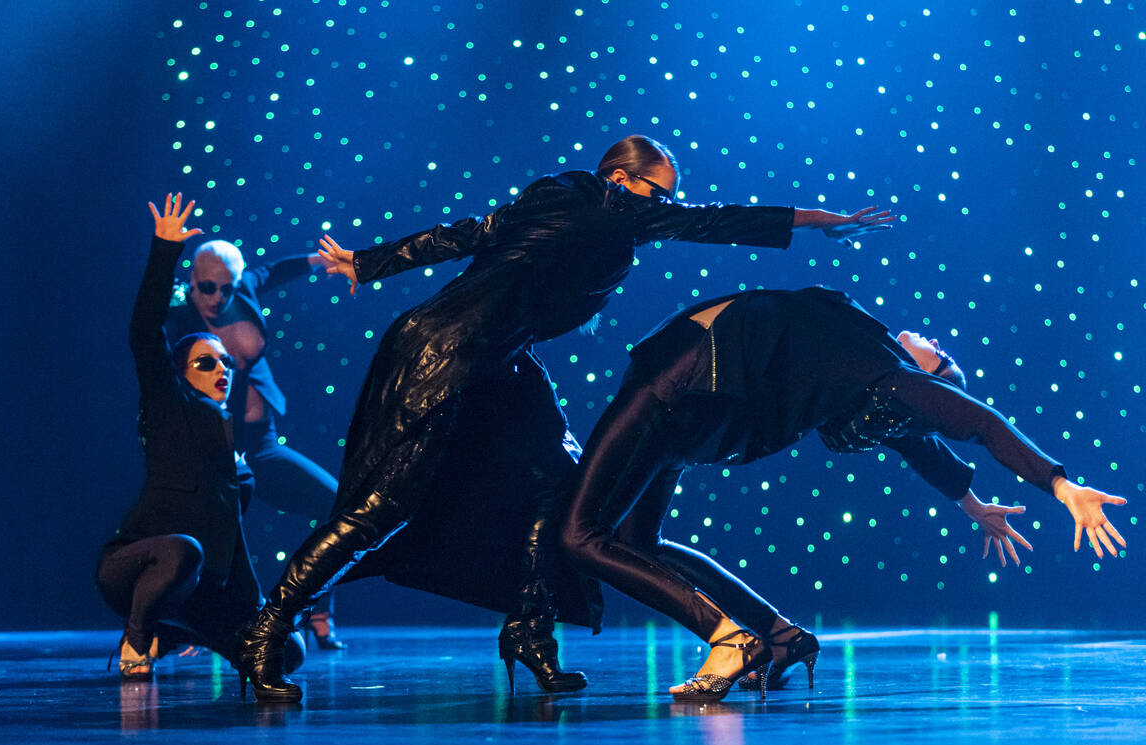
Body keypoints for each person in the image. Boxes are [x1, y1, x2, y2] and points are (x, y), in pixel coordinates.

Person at [233, 134, 893, 702]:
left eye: (667, 196)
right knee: (384, 505)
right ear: (617, 179)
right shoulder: (573, 195)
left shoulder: (617, 221)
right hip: (442, 350)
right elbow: (479, 230)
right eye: (655, 193)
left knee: (560, 481)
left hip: (502, 361)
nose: (664, 208)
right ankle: (266, 631)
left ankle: (529, 629)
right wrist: (371, 262)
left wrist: (815, 220)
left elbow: (700, 218)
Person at [559, 285, 1127, 702]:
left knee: (579, 536)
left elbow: (980, 422)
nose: (935, 342)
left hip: (685, 386)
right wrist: (975, 508)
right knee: (639, 541)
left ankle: (727, 639)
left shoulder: (893, 377)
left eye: (942, 359)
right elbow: (925, 452)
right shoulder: (870, 381)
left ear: (930, 377)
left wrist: (1059, 483)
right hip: (701, 401)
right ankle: (781, 637)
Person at [97, 194, 303, 680]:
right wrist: (164, 250)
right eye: (206, 363)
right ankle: (138, 636)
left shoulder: (234, 459)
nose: (221, 369)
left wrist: (259, 617)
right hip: (137, 568)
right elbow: (144, 330)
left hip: (199, 590)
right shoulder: (167, 406)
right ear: (181, 373)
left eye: (225, 364)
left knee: (286, 651)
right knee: (184, 548)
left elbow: (232, 544)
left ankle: (179, 631)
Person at [166, 238, 347, 649]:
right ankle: (185, 626)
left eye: (226, 288)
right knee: (200, 537)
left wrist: (321, 259)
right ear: (192, 280)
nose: (218, 297)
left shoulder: (241, 289)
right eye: (208, 287)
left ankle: (317, 611)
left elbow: (274, 271)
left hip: (262, 445)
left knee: (338, 507)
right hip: (212, 448)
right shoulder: (176, 314)